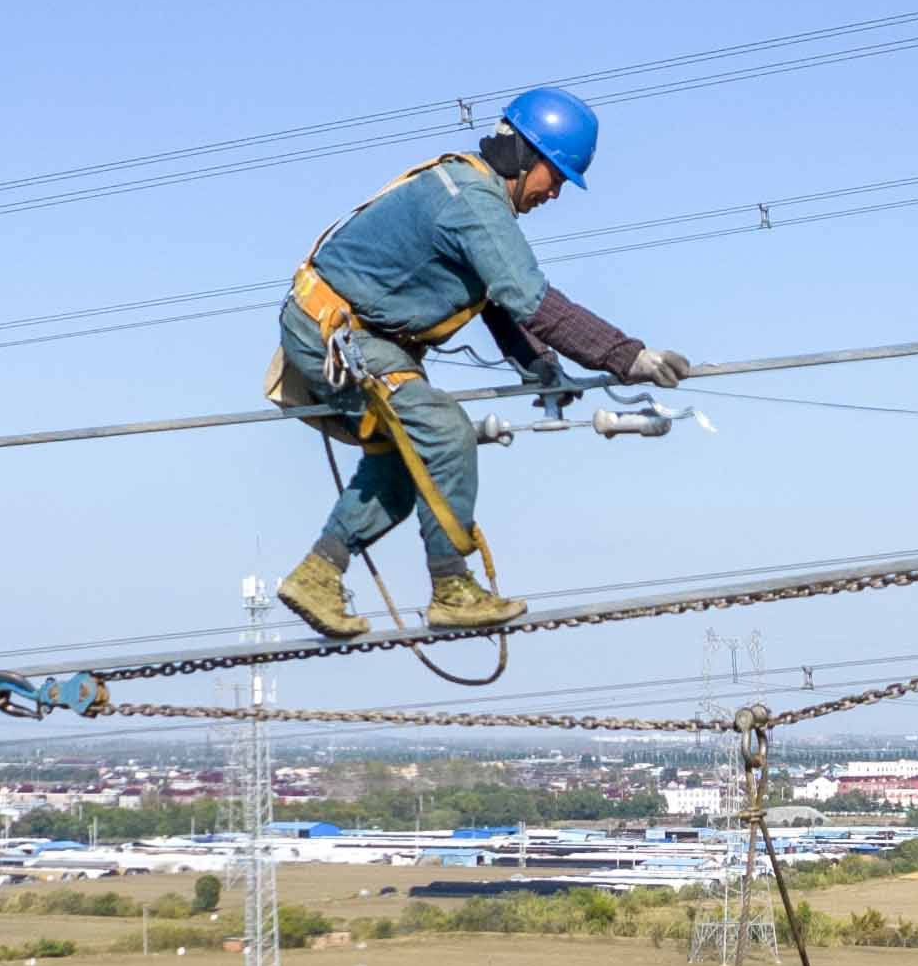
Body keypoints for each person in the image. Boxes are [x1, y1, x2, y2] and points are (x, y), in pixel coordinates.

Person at [266, 85, 689, 641]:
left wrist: (540, 368)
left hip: (363, 335)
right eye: (556, 177)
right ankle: (451, 588)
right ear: (527, 157)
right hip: (336, 332)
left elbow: (495, 299)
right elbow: (529, 298)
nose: (555, 193)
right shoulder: (473, 201)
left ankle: (318, 573)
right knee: (443, 433)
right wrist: (626, 355)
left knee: (406, 464)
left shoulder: (469, 191)